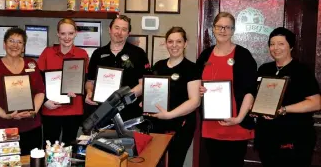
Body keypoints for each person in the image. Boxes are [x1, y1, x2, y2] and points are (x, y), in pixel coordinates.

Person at [196, 12, 257, 167]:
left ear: (233, 30)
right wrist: (199, 90)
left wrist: (238, 119)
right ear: (213, 29)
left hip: (236, 124)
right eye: (219, 26)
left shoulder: (243, 55)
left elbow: (250, 91)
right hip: (211, 125)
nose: (223, 30)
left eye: (227, 27)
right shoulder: (205, 55)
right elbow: (196, 84)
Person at [254, 27, 321, 167]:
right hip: (267, 139)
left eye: (281, 44)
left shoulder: (301, 71)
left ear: (291, 46)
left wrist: (283, 109)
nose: (275, 48)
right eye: (272, 44)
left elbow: (316, 103)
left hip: (294, 141)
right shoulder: (264, 69)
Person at [0, 27, 45, 157]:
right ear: (4, 44)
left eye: (19, 42)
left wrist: (33, 111)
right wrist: (5, 114)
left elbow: (40, 91)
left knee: (31, 162)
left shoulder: (31, 64)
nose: (15, 45)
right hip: (5, 126)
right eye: (11, 41)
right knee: (9, 162)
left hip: (31, 126)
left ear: (24, 47)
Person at [144, 27, 201, 167]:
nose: (174, 45)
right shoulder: (158, 66)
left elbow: (195, 101)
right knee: (155, 162)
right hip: (157, 124)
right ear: (166, 43)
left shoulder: (192, 68)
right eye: (170, 41)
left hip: (181, 125)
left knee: (175, 162)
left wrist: (170, 115)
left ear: (185, 43)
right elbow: (152, 91)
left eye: (178, 41)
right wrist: (145, 103)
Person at [85, 15, 151, 122]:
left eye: (124, 29)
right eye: (116, 28)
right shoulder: (98, 53)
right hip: (102, 112)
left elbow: (144, 84)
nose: (119, 32)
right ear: (110, 30)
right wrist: (89, 91)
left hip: (130, 112)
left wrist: (124, 98)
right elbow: (90, 81)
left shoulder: (138, 53)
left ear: (128, 33)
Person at [37, 18, 89, 146]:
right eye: (63, 33)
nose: (67, 37)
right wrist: (44, 101)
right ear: (58, 34)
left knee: (69, 149)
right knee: (49, 149)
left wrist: (79, 89)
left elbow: (85, 81)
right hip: (51, 109)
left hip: (74, 110)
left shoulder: (82, 54)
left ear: (75, 33)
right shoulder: (47, 53)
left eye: (70, 33)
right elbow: (37, 81)